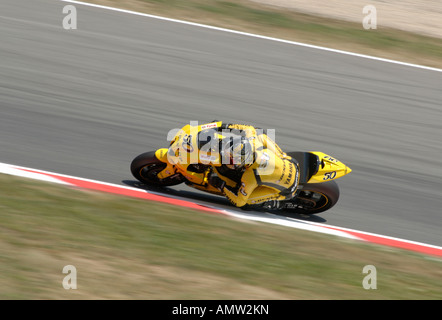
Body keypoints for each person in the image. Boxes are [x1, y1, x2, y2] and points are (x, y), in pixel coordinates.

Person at [168, 121, 299, 209]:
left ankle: (274, 202)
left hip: (288, 188)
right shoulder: (253, 141)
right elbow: (248, 128)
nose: (228, 160)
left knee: (245, 202)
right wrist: (220, 126)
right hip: (291, 162)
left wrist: (221, 184)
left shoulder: (250, 177)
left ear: (243, 164)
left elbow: (239, 201)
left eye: (232, 161)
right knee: (260, 133)